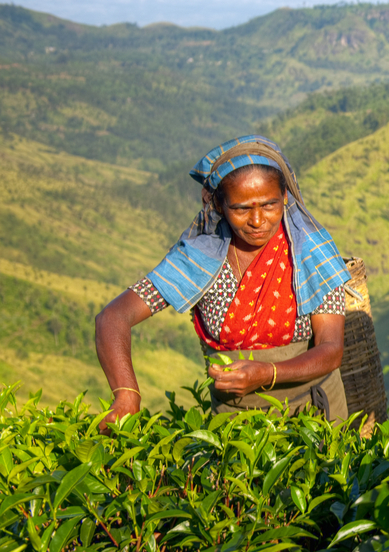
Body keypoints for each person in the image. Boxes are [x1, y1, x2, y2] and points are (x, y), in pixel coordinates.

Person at [95, 135, 353, 429]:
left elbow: (331, 350)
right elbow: (113, 317)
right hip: (234, 426)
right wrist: (126, 394)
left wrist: (267, 373)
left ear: (284, 196)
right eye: (241, 209)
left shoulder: (310, 252)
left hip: (316, 415)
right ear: (218, 204)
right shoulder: (201, 258)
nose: (257, 220)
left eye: (269, 205)